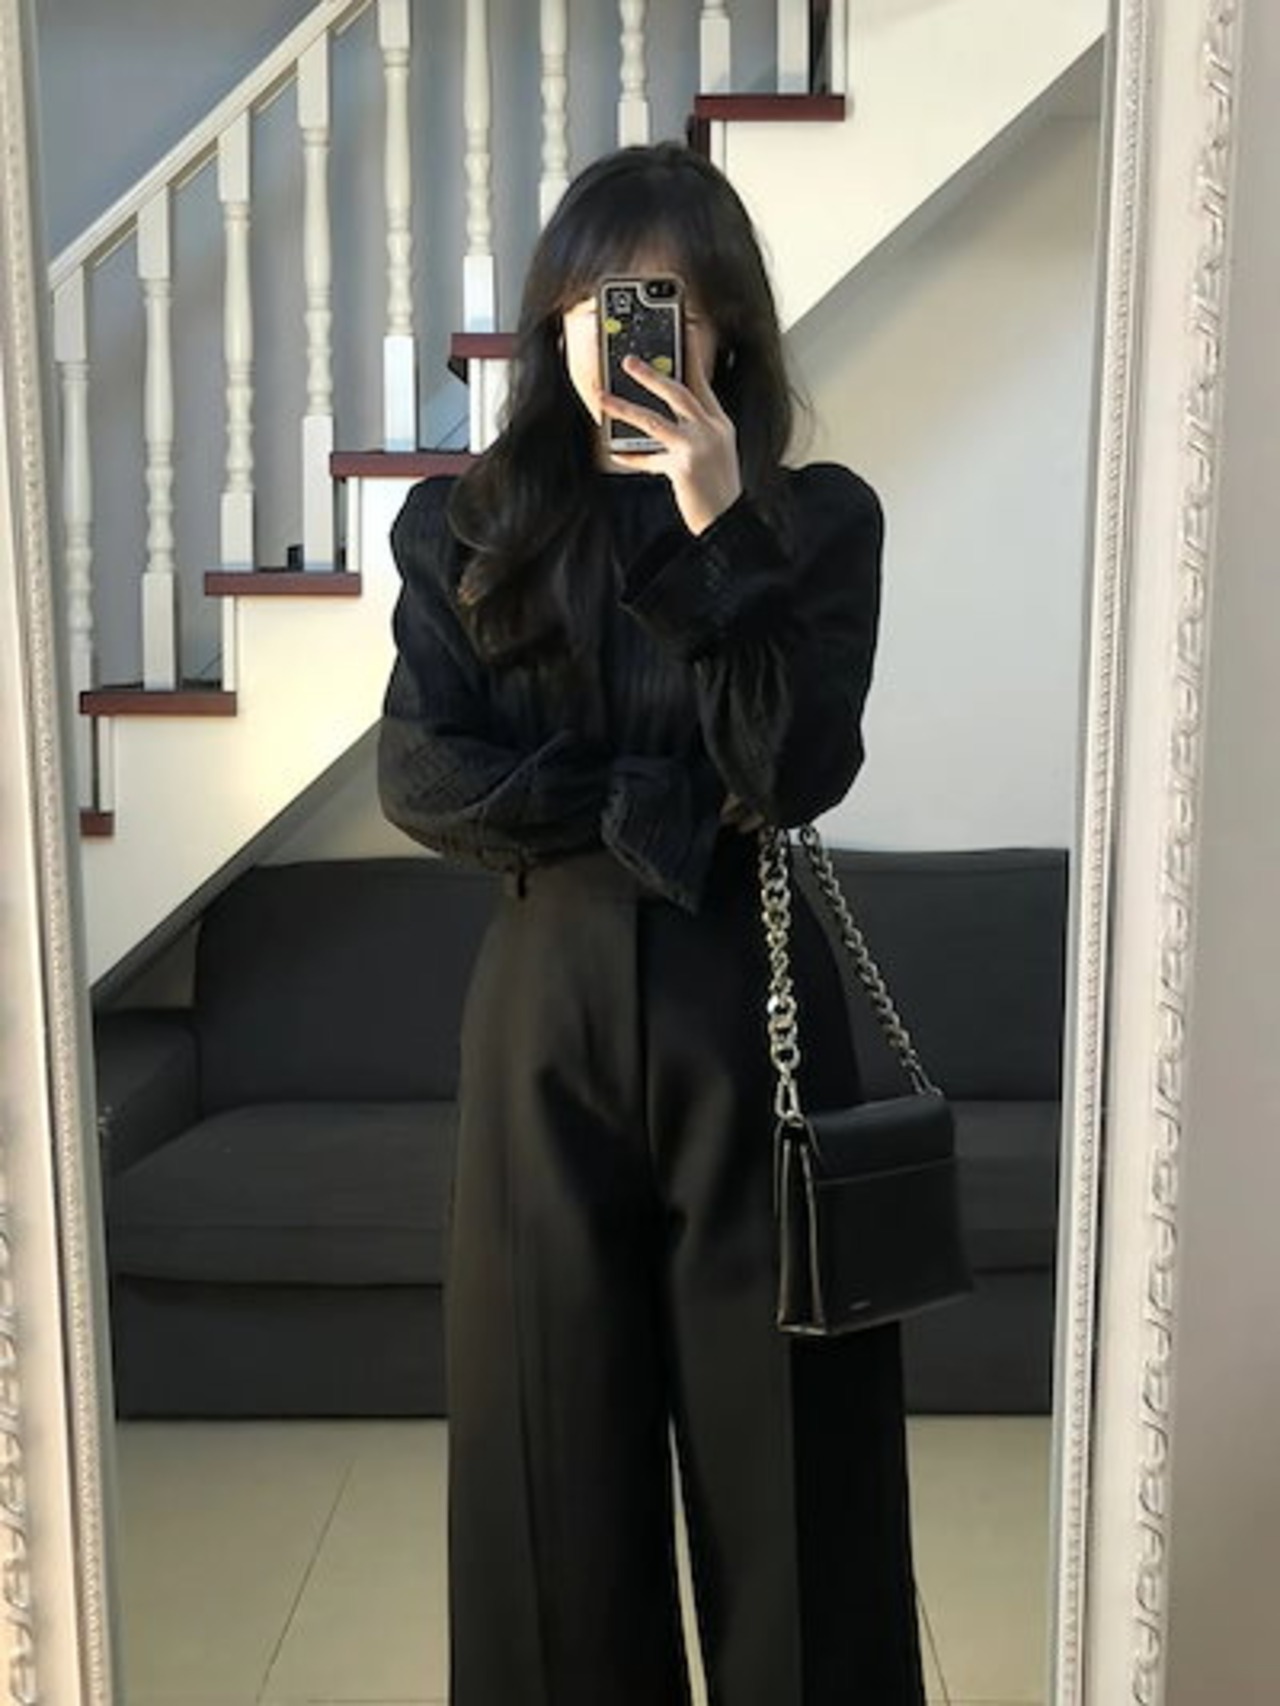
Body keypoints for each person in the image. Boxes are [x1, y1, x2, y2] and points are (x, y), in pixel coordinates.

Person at [377, 142, 925, 1706]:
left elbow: (792, 769)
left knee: (796, 1465)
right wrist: (654, 805)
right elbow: (422, 773)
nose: (621, 335)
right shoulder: (467, 528)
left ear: (725, 326)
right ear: (554, 325)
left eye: (662, 302)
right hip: (544, 1018)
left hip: (753, 1009)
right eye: (593, 303)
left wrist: (715, 526)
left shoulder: (816, 524)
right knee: (548, 1470)